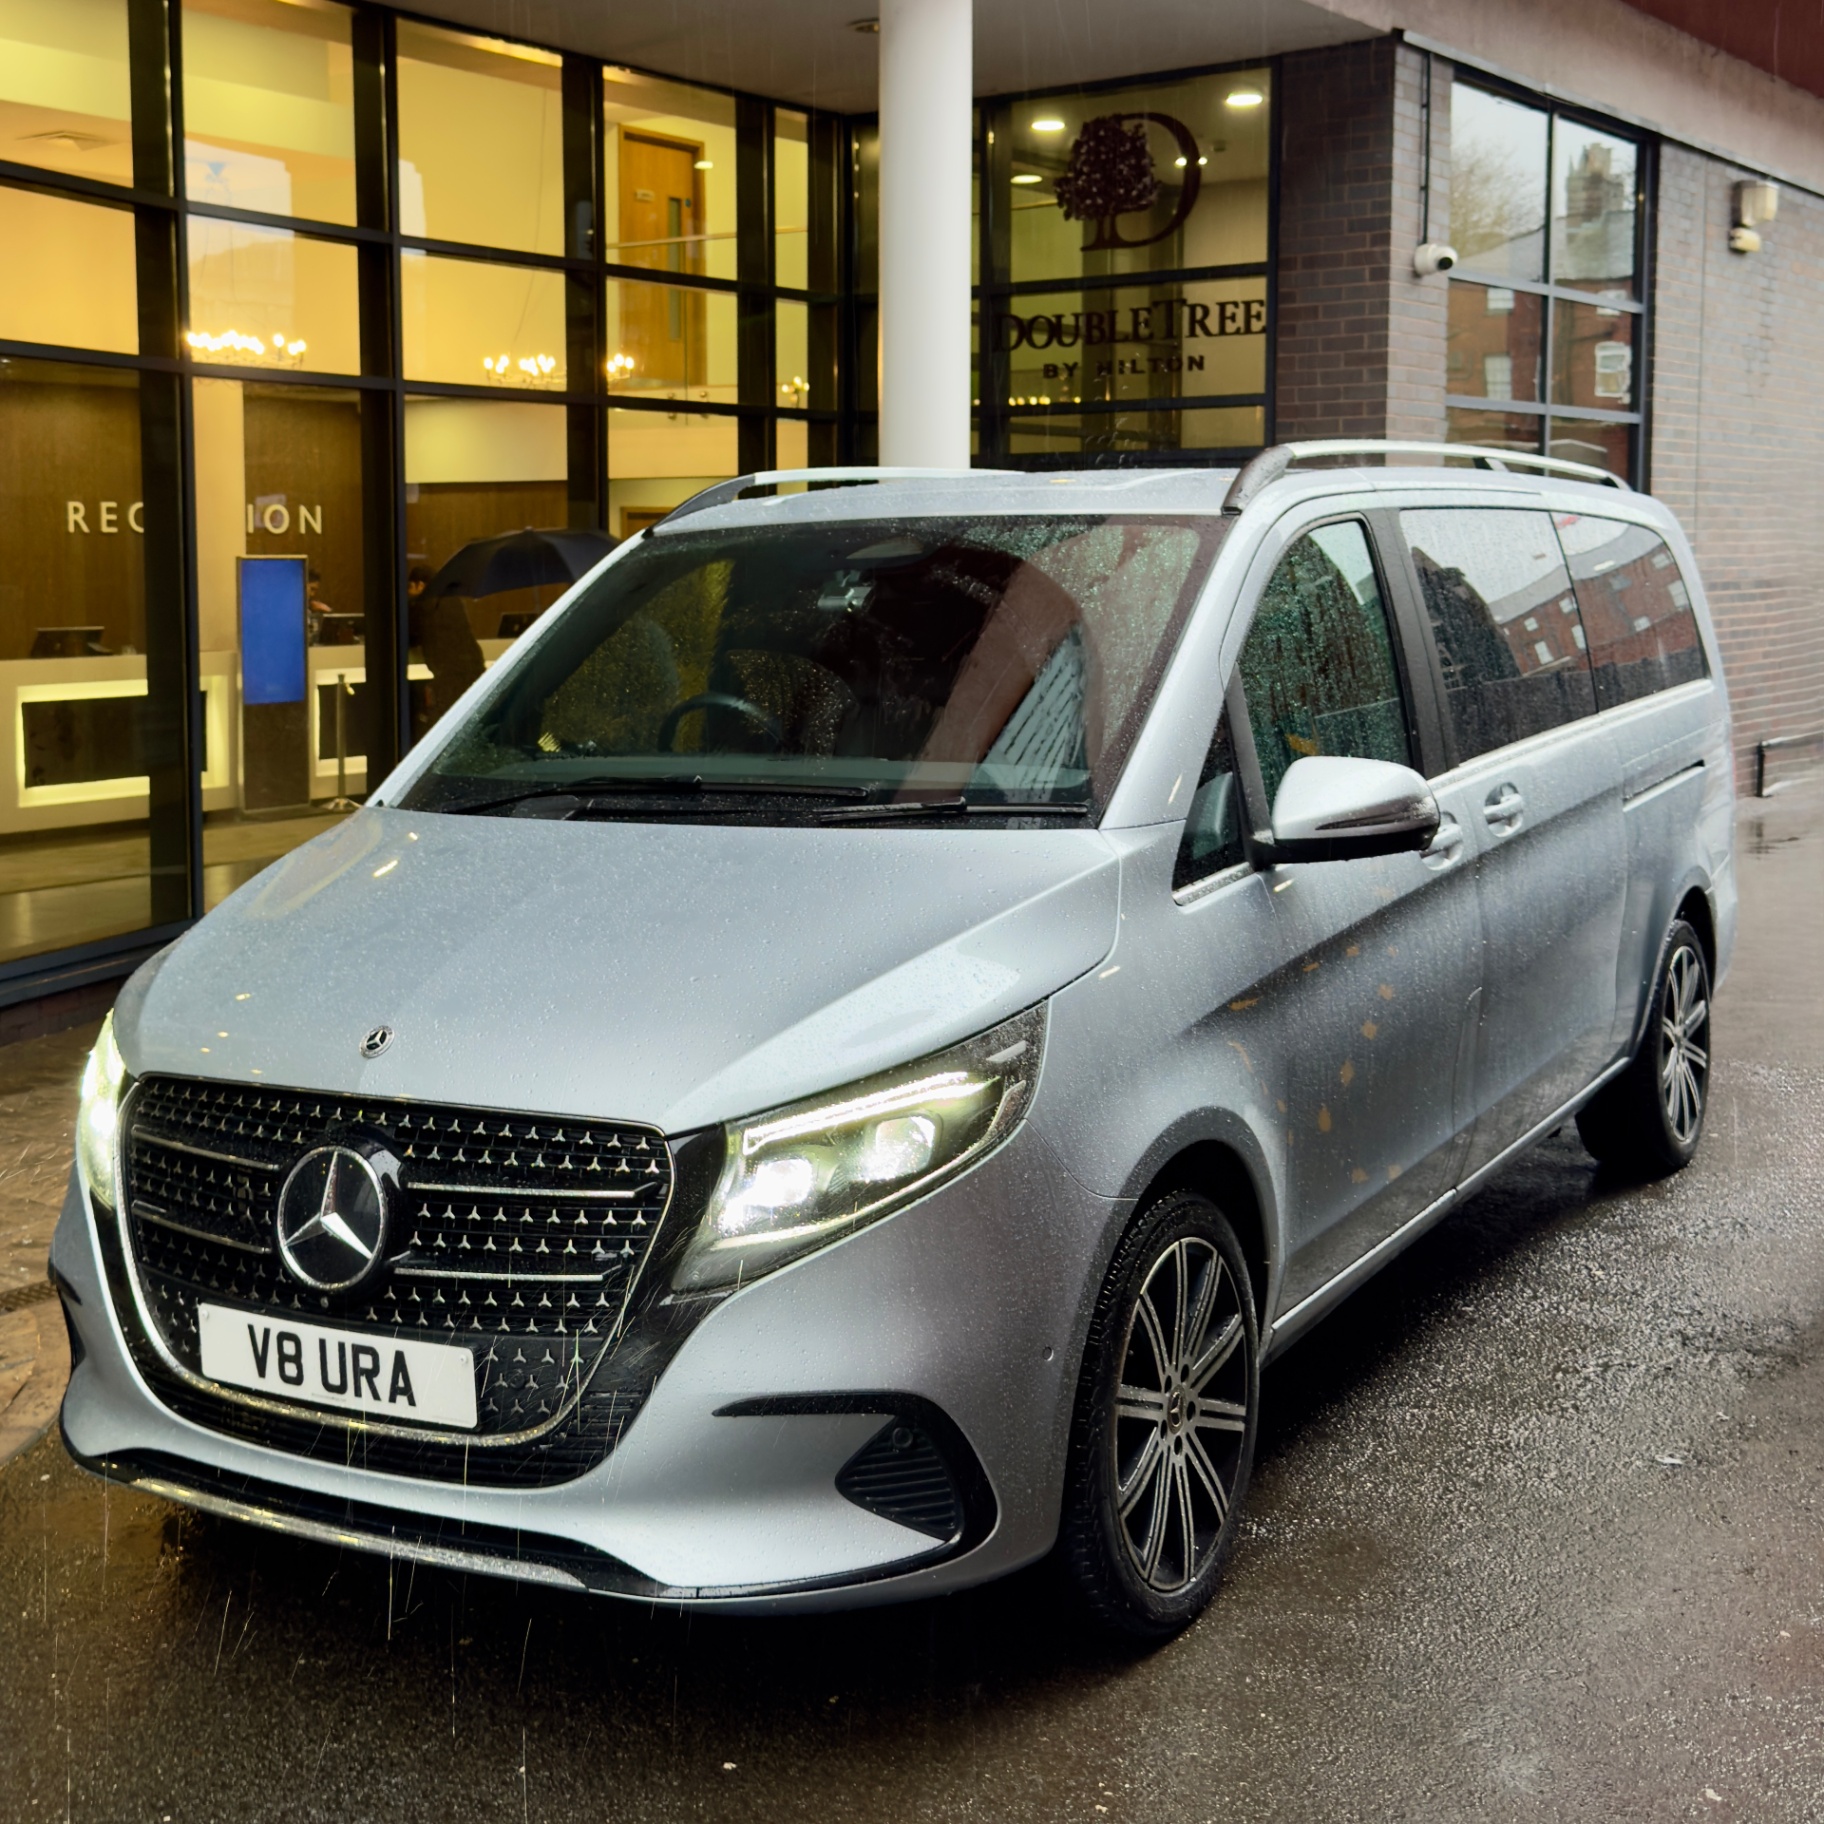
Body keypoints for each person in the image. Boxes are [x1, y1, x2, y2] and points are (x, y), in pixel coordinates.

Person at [408, 561, 485, 734]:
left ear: (419, 585)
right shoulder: (453, 600)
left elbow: (410, 637)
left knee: (444, 728)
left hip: (447, 677)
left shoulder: (422, 605)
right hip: (474, 668)